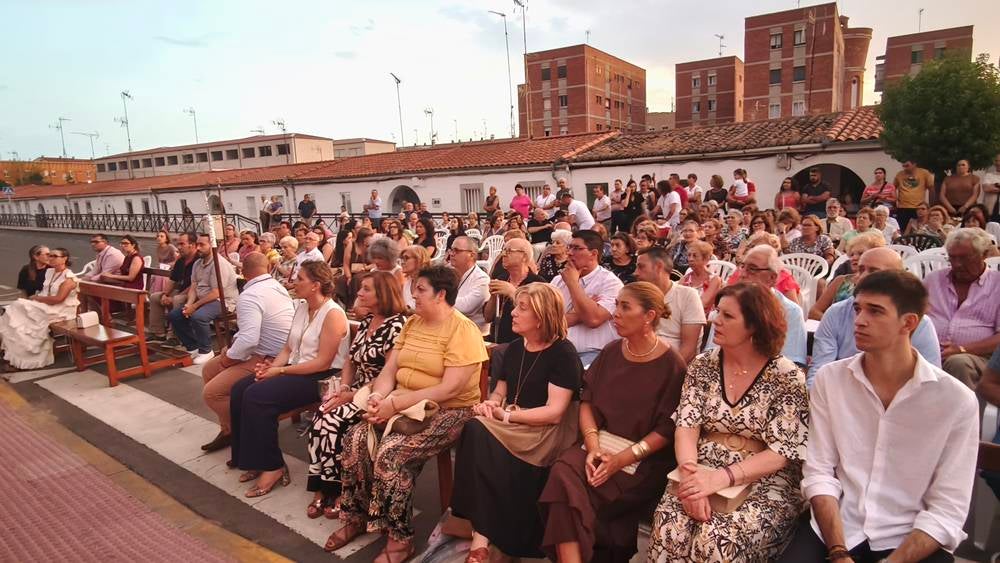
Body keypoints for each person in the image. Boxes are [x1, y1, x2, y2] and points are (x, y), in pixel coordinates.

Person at [783, 270, 978, 563]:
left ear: (908, 322)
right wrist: (838, 552)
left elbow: (947, 508)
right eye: (858, 309)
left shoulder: (955, 401)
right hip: (836, 525)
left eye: (875, 312)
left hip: (909, 534)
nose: (859, 320)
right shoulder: (831, 379)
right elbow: (819, 472)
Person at [325, 265, 488, 561]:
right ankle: (356, 517)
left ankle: (400, 539)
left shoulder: (463, 330)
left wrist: (395, 405)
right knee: (355, 439)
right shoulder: (413, 324)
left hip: (450, 412)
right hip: (403, 404)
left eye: (421, 290)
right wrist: (378, 396)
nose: (413, 295)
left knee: (392, 453)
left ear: (441, 295)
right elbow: (390, 369)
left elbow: (450, 389)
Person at [648, 282, 808, 563]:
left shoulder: (787, 376)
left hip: (763, 478)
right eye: (717, 312)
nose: (714, 320)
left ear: (756, 325)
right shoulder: (703, 365)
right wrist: (691, 477)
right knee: (669, 525)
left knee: (717, 540)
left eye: (727, 316)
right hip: (700, 465)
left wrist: (719, 479)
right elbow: (686, 426)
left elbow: (781, 452)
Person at [540, 282, 687, 563]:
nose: (615, 313)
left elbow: (667, 431)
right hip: (598, 444)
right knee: (563, 474)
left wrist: (620, 460)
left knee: (571, 494)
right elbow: (588, 402)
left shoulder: (673, 365)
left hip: (642, 460)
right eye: (616, 304)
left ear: (649, 316)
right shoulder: (610, 351)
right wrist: (593, 446)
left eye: (625, 307)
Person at [453, 283, 582, 561]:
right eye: (516, 306)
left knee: (478, 433)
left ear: (542, 316)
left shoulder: (563, 353)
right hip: (513, 423)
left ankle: (481, 535)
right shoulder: (512, 349)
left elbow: (555, 412)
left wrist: (507, 415)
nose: (512, 313)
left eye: (522, 308)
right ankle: (482, 536)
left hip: (544, 431)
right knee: (474, 426)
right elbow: (501, 391)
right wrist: (492, 404)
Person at [229, 261, 349, 499]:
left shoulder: (333, 313)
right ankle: (253, 458)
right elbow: (287, 347)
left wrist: (279, 372)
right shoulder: (303, 307)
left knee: (257, 396)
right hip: (295, 369)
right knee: (240, 389)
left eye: (300, 278)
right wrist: (270, 368)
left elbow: (323, 363)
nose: (294, 281)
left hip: (320, 377)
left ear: (315, 285)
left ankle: (273, 466)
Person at [306, 271, 407, 519]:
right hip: (353, 390)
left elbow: (390, 372)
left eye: (366, 289)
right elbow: (351, 361)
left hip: (376, 394)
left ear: (382, 294)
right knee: (321, 414)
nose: (359, 293)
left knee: (332, 421)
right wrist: (343, 387)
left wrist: (352, 395)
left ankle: (340, 490)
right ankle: (321, 487)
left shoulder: (397, 325)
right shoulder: (366, 322)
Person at [200, 253, 294, 453]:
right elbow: (248, 337)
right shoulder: (278, 287)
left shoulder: (250, 295)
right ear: (268, 268)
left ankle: (246, 431)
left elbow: (249, 339)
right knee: (209, 369)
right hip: (270, 351)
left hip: (269, 357)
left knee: (212, 393)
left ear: (243, 272)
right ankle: (228, 430)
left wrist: (228, 359)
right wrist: (232, 350)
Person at [808, 247, 942, 386]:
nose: (862, 277)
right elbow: (819, 369)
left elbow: (930, 379)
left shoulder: (920, 323)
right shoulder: (836, 312)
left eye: (873, 271)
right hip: (841, 394)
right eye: (860, 269)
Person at [707, 245, 807, 366]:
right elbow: (710, 355)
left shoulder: (790, 311)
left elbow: (793, 363)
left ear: (772, 278)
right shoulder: (725, 306)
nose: (742, 274)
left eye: (752, 269)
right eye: (742, 266)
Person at [925, 228, 1000, 388]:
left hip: (982, 358)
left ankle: (964, 413)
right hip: (930, 353)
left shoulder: (997, 285)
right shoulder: (933, 280)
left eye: (965, 258)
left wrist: (962, 349)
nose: (957, 264)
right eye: (952, 258)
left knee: (958, 363)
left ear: (984, 254)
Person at [551, 230, 624, 365]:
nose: (570, 253)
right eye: (570, 247)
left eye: (577, 248)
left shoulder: (611, 283)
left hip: (594, 354)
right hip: (555, 350)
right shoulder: (557, 280)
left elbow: (593, 319)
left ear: (594, 254)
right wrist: (582, 313)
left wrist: (573, 283)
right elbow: (545, 322)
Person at [0, 248, 79, 371]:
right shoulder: (50, 272)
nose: (50, 258)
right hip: (46, 305)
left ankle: (27, 357)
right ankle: (12, 355)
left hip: (61, 309)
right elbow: (43, 290)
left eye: (54, 256)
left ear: (64, 259)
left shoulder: (69, 278)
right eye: (50, 255)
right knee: (15, 314)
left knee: (21, 315)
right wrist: (35, 298)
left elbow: (59, 299)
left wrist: (37, 298)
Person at [168, 233, 239, 365]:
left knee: (198, 316)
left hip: (223, 301)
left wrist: (194, 307)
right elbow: (194, 286)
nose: (198, 248)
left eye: (202, 245)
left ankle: (206, 350)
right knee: (175, 315)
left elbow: (216, 292)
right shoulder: (198, 263)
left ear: (212, 246)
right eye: (197, 244)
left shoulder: (219, 264)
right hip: (204, 299)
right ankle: (193, 346)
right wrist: (189, 304)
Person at [635, 246, 706, 364]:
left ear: (658, 267)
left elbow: (688, 350)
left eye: (641, 267)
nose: (636, 272)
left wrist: (665, 373)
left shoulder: (688, 296)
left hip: (674, 368)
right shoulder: (638, 296)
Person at [809, 232, 885, 320]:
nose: (854, 258)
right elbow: (814, 312)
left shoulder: (882, 284)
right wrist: (836, 325)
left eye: (860, 253)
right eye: (852, 254)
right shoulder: (840, 281)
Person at [484, 238, 544, 344]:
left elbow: (540, 317)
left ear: (524, 256)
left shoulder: (537, 283)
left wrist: (513, 293)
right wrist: (493, 296)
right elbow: (488, 317)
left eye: (508, 251)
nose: (503, 254)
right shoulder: (502, 277)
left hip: (522, 343)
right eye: (503, 250)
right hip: (496, 339)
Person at [148, 232, 198, 342]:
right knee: (155, 297)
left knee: (177, 299)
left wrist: (176, 296)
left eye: (182, 244)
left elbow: (195, 284)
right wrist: (165, 294)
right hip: (181, 291)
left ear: (192, 245)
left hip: (195, 294)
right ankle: (158, 332)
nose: (179, 247)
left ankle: (175, 336)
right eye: (178, 244)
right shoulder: (180, 260)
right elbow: (172, 279)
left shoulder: (198, 260)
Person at [448, 236, 490, 332]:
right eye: (451, 250)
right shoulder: (448, 271)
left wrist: (439, 300)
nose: (451, 254)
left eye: (456, 250)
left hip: (473, 333)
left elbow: (466, 307)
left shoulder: (482, 279)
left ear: (471, 255)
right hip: (451, 329)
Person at [681, 240, 723, 315]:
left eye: (695, 256)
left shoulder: (714, 280)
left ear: (705, 259)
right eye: (689, 255)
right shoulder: (686, 278)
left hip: (703, 318)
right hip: (684, 313)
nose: (690, 259)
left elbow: (702, 304)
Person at [893, 160, 935, 234]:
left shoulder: (924, 173)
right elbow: (893, 188)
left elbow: (931, 189)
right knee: (902, 229)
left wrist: (931, 205)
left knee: (918, 229)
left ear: (914, 164)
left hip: (918, 207)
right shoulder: (899, 174)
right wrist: (895, 203)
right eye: (904, 166)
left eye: (907, 166)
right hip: (902, 207)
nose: (905, 168)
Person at [399, 245, 430, 310]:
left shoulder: (430, 283)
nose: (402, 262)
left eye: (406, 258)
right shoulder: (407, 283)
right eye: (402, 259)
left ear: (419, 260)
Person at [981, 153, 1000, 221]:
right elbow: (986, 188)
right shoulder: (989, 175)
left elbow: (990, 188)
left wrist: (995, 185)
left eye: (999, 161)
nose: (998, 163)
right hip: (990, 210)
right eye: (996, 160)